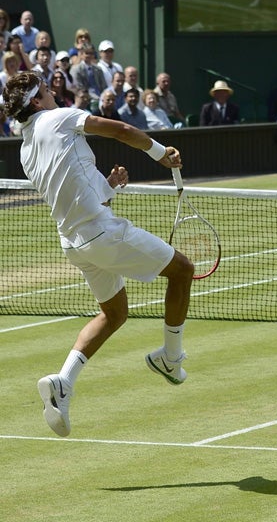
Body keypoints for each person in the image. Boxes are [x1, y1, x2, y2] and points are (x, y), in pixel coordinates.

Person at [0, 70, 194, 437]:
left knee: (114, 313)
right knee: (183, 271)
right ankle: (170, 358)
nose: (53, 90)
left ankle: (63, 382)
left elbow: (75, 192)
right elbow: (120, 130)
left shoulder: (26, 148)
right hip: (100, 234)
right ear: (37, 102)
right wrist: (159, 153)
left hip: (75, 243)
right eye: (45, 89)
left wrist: (109, 186)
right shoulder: (59, 117)